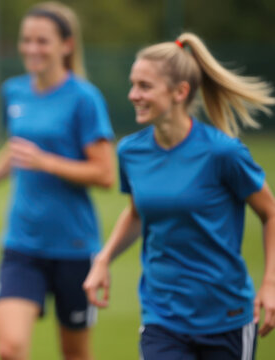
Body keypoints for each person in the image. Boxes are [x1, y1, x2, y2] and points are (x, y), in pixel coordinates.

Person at [83, 32, 275, 360]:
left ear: (180, 92)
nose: (133, 95)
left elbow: (270, 214)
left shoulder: (222, 153)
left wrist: (270, 283)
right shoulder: (131, 152)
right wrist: (103, 260)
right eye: (133, 84)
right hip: (162, 317)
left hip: (225, 318)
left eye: (145, 86)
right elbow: (137, 212)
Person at [0, 3, 114, 359]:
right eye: (26, 40)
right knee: (9, 349)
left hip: (74, 246)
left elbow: (105, 174)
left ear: (66, 45)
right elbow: (17, 151)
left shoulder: (84, 98)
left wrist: (48, 162)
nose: (32, 48)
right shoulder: (14, 91)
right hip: (22, 243)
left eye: (42, 41)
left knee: (75, 353)